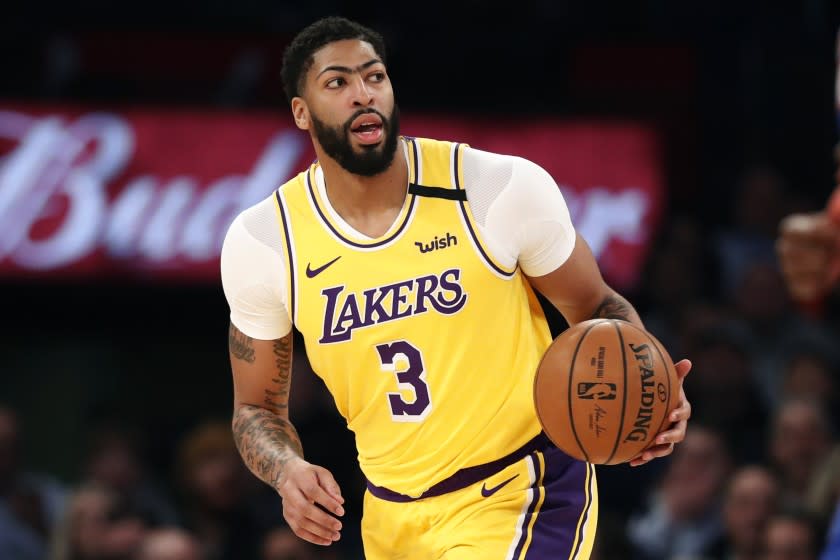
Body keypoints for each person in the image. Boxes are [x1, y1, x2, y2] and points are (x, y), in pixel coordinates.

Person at [220, 16, 692, 559]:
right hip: (390, 514)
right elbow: (256, 407)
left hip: (524, 490)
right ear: (300, 113)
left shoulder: (492, 188)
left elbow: (596, 304)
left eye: (375, 77)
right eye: (337, 83)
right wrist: (286, 471)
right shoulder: (266, 242)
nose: (362, 95)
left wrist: (646, 384)